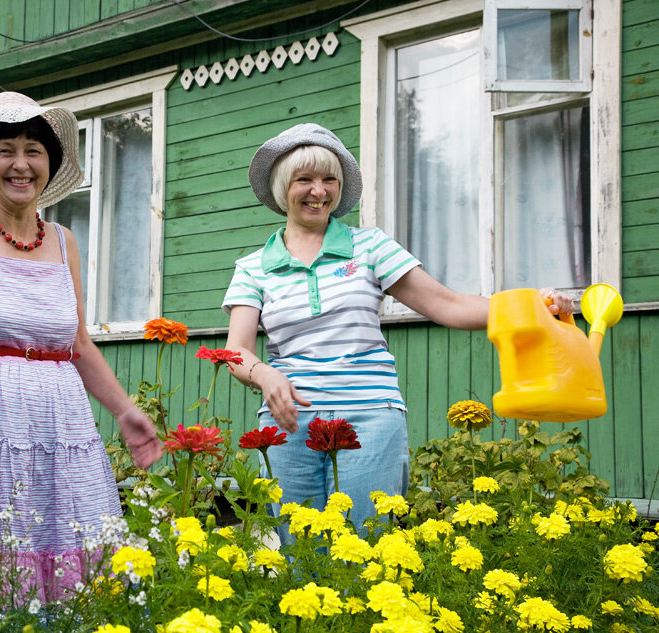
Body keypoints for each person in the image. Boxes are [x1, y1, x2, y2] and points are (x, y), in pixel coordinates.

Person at [223, 123, 573, 541]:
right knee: (296, 550)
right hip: (288, 422)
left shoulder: (370, 247)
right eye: (305, 180)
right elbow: (237, 351)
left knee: (366, 545)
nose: (319, 191)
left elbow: (449, 304)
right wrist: (265, 374)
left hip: (371, 416)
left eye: (329, 179)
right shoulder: (253, 267)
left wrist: (533, 304)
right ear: (284, 188)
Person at [0, 92, 162, 601]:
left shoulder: (64, 240)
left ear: (50, 163)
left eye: (33, 150)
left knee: (63, 552)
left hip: (57, 423)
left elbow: (77, 341)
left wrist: (125, 411)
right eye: (5, 149)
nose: (20, 164)